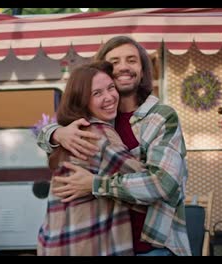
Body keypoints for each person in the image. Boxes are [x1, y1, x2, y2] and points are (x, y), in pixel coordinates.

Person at [37, 36, 191, 256]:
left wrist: (95, 184)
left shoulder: (160, 116)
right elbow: (50, 142)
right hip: (108, 244)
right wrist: (55, 133)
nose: (124, 67)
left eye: (131, 60)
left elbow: (163, 183)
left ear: (142, 69)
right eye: (115, 62)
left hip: (152, 245)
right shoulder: (98, 118)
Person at [37, 61, 148, 256]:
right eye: (97, 93)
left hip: (55, 243)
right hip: (89, 244)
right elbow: (148, 187)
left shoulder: (71, 132)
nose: (109, 97)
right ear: (82, 100)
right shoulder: (98, 134)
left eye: (111, 88)